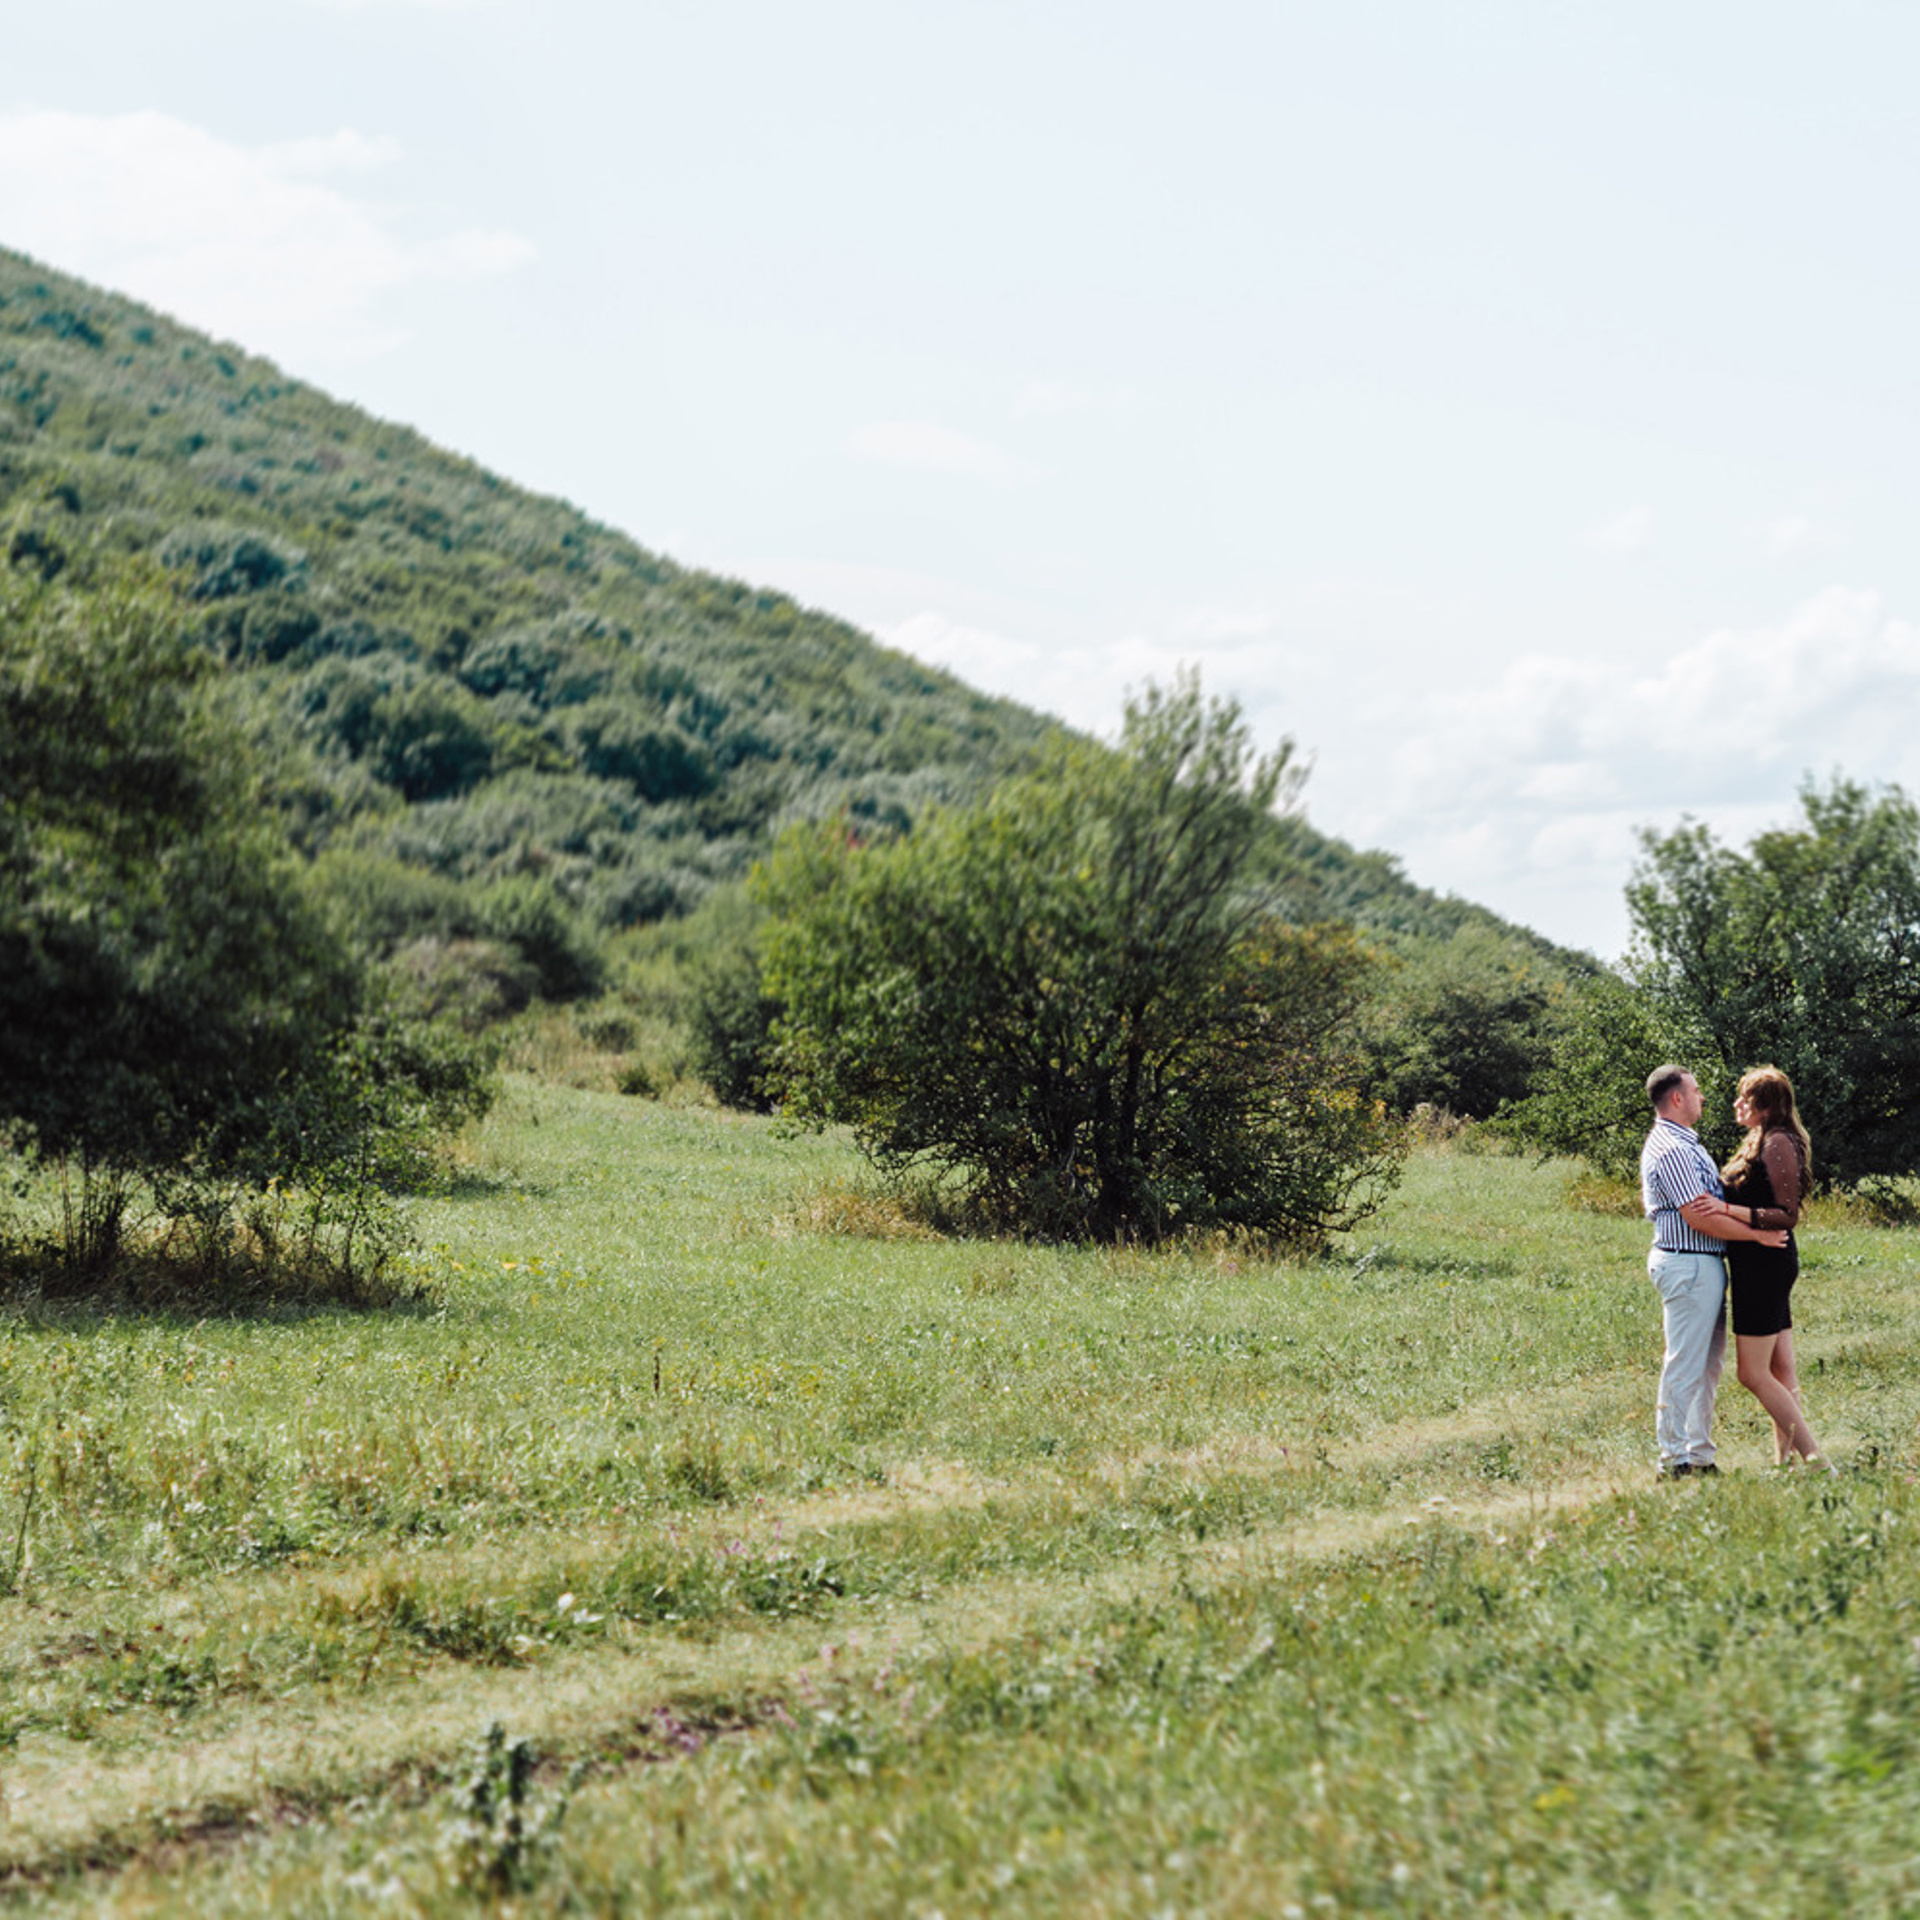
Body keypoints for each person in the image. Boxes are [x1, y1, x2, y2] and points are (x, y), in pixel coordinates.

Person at [1640, 1064, 1788, 1478]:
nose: (1702, 1097)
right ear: (1676, 1098)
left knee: (1707, 1366)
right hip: (1687, 1262)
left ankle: (1699, 1455)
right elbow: (1698, 1217)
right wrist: (1757, 1236)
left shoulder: (1687, 1143)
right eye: (1696, 1090)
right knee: (1685, 1363)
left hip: (1702, 1265)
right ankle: (1673, 1459)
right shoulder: (1672, 1148)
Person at [1720, 1065, 1830, 1468]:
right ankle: (1785, 1464)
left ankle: (1816, 1459)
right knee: (1782, 1371)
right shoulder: (1760, 1138)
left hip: (1765, 1264)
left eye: (1743, 1098)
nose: (1736, 1104)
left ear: (1764, 1105)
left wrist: (1724, 1208)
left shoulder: (1779, 1141)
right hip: (1757, 1262)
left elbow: (1785, 1214)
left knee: (1752, 1373)